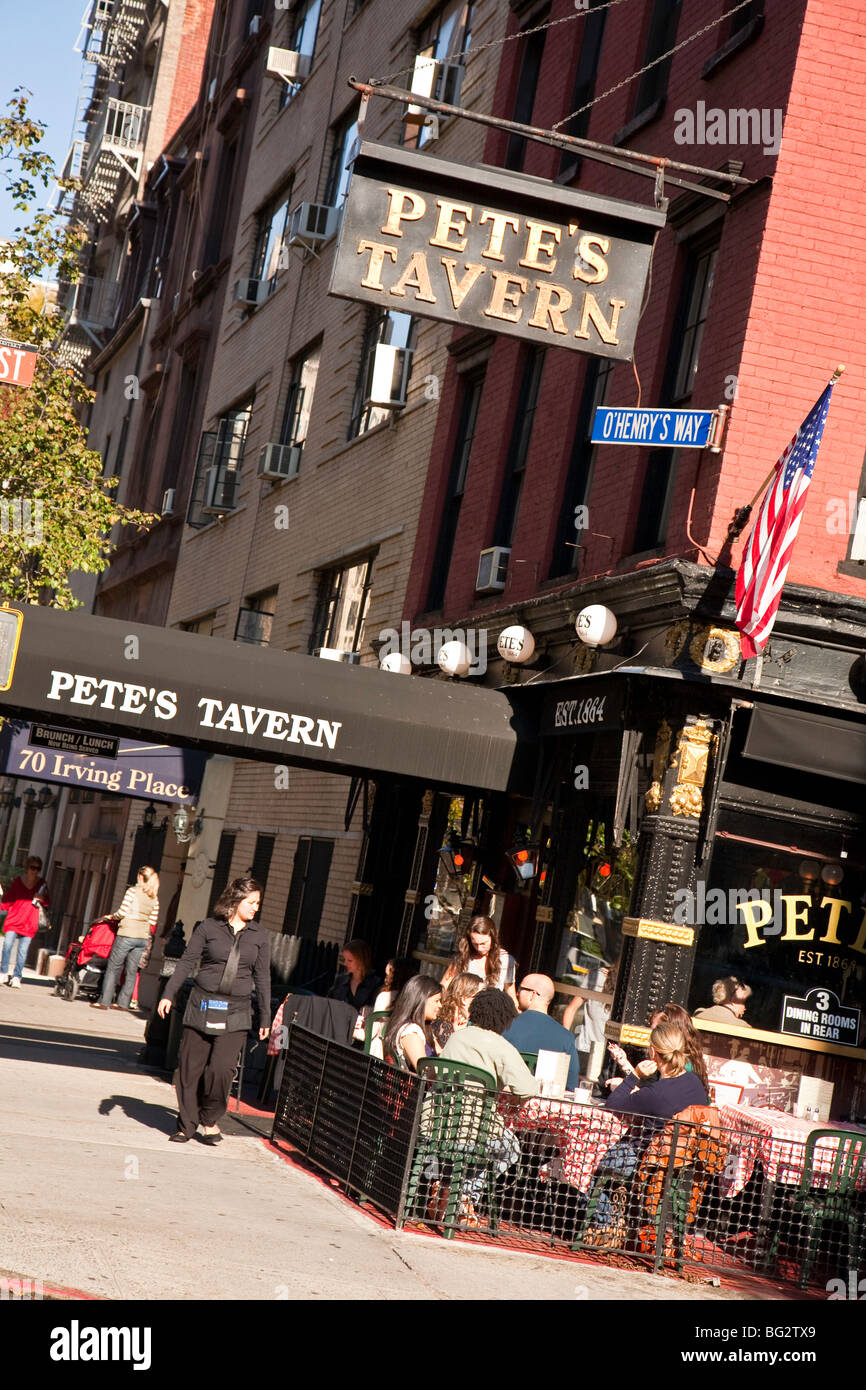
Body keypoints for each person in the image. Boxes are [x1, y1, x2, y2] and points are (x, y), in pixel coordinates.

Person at [157, 876, 271, 1144]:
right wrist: (168, 994)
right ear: (236, 900)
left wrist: (266, 1015)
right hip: (203, 1004)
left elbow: (263, 977)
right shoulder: (208, 927)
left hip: (237, 1010)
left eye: (258, 903)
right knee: (188, 1068)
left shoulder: (260, 936)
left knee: (220, 1070)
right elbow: (186, 963)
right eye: (251, 902)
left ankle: (209, 1119)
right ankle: (186, 1125)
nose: (256, 908)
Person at [440, 988, 538, 1098]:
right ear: (505, 1018)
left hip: (437, 1109)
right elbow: (528, 1089)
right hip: (475, 1112)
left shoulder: (455, 1037)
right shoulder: (502, 1047)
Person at [91, 867, 160, 1012]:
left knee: (113, 967)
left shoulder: (133, 891)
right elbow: (153, 921)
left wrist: (112, 916)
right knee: (131, 970)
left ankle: (104, 1001)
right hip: (142, 938)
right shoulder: (154, 896)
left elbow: (122, 912)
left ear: (140, 877)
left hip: (127, 934)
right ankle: (123, 1003)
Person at [503, 973, 582, 1091]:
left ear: (532, 994)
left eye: (520, 989)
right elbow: (571, 1086)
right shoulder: (566, 1037)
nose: (517, 993)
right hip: (542, 1106)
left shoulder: (504, 1025)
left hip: (505, 1102)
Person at [440, 916, 518, 1002]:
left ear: (493, 938)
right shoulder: (463, 957)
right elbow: (444, 986)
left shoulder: (505, 960)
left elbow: (511, 995)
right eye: (475, 944)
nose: (479, 948)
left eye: (483, 943)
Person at [0, 856, 50, 988]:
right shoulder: (18, 881)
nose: (35, 871)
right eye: (32, 868)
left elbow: (48, 902)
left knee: (23, 951)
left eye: (38, 868)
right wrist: (3, 907)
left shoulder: (42, 884)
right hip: (14, 919)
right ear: (27, 868)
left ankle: (17, 976)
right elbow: (8, 898)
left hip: (29, 922)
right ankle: (3, 972)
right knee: (7, 946)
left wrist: (42, 899)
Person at [383, 975, 442, 1071]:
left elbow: (440, 1053)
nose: (440, 1005)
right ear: (421, 1000)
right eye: (436, 1001)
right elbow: (425, 1073)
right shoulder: (411, 1032)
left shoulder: (424, 1027)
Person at [368, 957, 416, 1059]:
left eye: (387, 975)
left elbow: (372, 1031)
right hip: (403, 1054)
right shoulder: (413, 1000)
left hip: (381, 1053)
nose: (385, 979)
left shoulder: (384, 997)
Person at [432, 971, 483, 1048]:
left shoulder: (470, 1023)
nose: (486, 999)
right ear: (465, 999)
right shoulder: (444, 1026)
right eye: (482, 996)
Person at [328, 939, 381, 1011]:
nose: (345, 964)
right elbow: (329, 1003)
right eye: (344, 959)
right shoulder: (340, 980)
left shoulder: (375, 984)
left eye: (350, 960)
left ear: (361, 960)